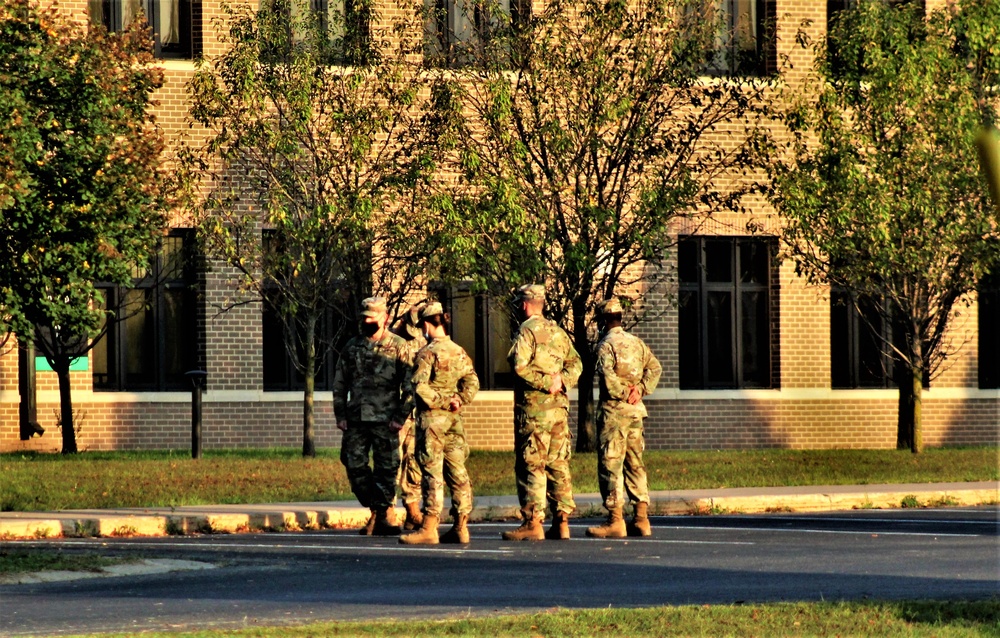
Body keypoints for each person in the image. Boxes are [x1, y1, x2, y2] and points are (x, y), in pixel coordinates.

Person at [501, 284, 582, 541]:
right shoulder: (557, 332)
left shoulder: (526, 331)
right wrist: (562, 382)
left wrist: (548, 383)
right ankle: (562, 521)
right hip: (558, 410)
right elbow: (576, 362)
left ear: (524, 305)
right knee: (558, 463)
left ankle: (533, 522)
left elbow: (519, 367)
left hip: (535, 411)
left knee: (532, 464)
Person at [400, 302, 480, 545]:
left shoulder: (427, 353)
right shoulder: (459, 351)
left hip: (433, 420)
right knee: (457, 470)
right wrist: (458, 399)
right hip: (454, 420)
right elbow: (472, 381)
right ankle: (461, 526)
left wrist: (442, 401)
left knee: (432, 471)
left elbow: (418, 386)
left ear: (426, 324)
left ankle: (429, 526)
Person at [333, 297, 413, 536]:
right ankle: (378, 509)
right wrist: (340, 414)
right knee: (353, 463)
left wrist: (400, 416)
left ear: (384, 318)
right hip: (356, 419)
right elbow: (340, 383)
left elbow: (410, 387)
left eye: (372, 318)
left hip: (387, 421)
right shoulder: (352, 346)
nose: (367, 321)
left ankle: (382, 516)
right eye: (364, 317)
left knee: (386, 469)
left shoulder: (399, 346)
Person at [586, 297, 662, 538]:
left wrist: (624, 393)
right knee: (634, 463)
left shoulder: (605, 346)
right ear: (619, 318)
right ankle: (641, 519)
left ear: (603, 320)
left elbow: (608, 380)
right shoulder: (637, 343)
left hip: (614, 414)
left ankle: (615, 520)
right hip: (636, 413)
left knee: (611, 464)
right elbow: (655, 368)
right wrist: (639, 390)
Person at [391, 302, 427, 531]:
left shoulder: (427, 343)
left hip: (416, 413)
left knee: (413, 463)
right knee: (391, 463)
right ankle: (384, 512)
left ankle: (413, 511)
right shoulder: (393, 343)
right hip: (395, 412)